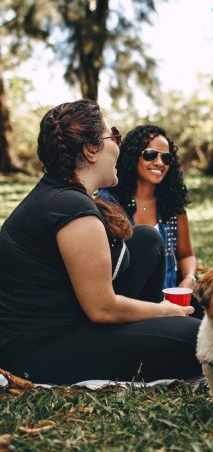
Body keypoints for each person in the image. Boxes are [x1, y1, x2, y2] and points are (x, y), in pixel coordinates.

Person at [0, 101, 201, 384]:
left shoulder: (63, 194)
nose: (118, 147)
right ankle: (165, 327)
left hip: (71, 318)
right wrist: (165, 310)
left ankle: (160, 327)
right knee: (198, 337)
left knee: (146, 238)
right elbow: (101, 308)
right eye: (114, 137)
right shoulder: (70, 208)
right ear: (91, 150)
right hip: (40, 348)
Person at [98, 125, 197, 291]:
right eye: (150, 154)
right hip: (125, 302)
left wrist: (189, 278)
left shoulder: (172, 204)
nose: (159, 163)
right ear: (132, 156)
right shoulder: (108, 202)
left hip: (170, 302)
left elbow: (186, 255)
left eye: (166, 158)